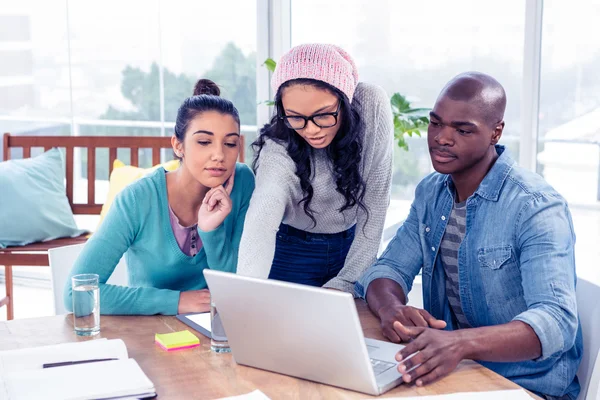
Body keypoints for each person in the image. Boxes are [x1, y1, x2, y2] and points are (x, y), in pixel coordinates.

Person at [356, 72, 582, 400]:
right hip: (455, 376)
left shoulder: (535, 206)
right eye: (435, 123)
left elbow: (557, 321)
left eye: (462, 130)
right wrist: (391, 309)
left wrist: (460, 344)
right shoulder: (431, 194)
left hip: (527, 387)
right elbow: (387, 269)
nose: (442, 138)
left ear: (496, 132)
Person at [64, 79, 255, 315]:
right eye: (204, 142)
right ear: (178, 145)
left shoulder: (243, 181)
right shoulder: (137, 200)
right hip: (150, 335)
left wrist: (211, 230)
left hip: (217, 331)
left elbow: (235, 286)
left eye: (230, 143)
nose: (219, 155)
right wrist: (176, 301)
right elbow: (76, 295)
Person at [237, 43, 393, 293]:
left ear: (345, 100)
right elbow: (261, 220)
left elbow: (375, 203)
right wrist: (243, 297)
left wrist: (349, 280)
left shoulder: (371, 105)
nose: (311, 130)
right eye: (296, 117)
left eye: (323, 115)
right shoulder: (278, 146)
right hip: (293, 252)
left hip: (353, 245)